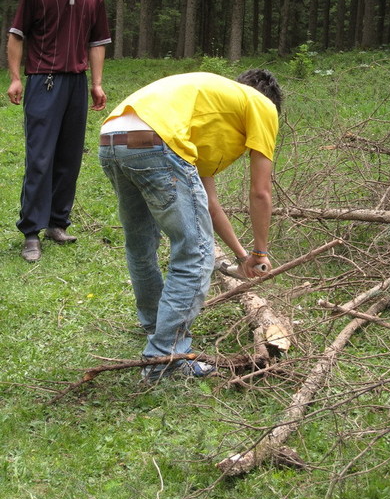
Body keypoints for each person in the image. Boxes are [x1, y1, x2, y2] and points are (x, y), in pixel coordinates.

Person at [99, 70, 282, 381]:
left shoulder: (202, 114)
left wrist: (242, 258)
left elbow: (209, 204)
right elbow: (261, 192)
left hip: (113, 136)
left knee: (140, 244)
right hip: (155, 139)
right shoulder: (262, 106)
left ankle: (157, 327)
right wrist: (261, 251)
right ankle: (164, 358)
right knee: (195, 255)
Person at [7, 0, 111, 262]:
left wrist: (96, 83)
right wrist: (14, 78)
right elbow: (16, 35)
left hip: (76, 85)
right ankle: (30, 233)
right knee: (40, 157)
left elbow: (97, 42)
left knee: (69, 157)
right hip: (43, 82)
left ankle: (57, 222)